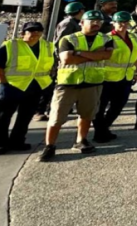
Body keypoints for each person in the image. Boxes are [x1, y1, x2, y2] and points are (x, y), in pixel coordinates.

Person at [40, 10, 113, 161]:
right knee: (56, 118)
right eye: (92, 22)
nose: (96, 24)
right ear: (81, 23)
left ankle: (81, 140)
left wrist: (78, 53)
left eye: (99, 22)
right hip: (68, 83)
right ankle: (50, 145)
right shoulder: (68, 39)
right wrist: (93, 55)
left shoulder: (106, 39)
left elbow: (106, 55)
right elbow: (67, 59)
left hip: (93, 83)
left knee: (87, 115)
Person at [0, 21, 54, 155]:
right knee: (4, 117)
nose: (35, 34)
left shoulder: (48, 46)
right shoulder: (11, 45)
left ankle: (17, 141)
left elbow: (50, 66)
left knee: (25, 117)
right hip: (12, 86)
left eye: (38, 31)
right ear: (23, 33)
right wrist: (3, 83)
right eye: (31, 31)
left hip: (35, 87)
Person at [94, 11, 137, 143]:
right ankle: (99, 132)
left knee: (118, 105)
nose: (123, 25)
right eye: (120, 22)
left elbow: (136, 55)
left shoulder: (133, 37)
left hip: (126, 77)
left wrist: (136, 71)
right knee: (100, 107)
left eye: (126, 22)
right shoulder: (106, 38)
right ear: (113, 23)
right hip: (107, 77)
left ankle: (104, 128)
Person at [35, 1, 85, 121]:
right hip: (62, 59)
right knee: (54, 85)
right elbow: (61, 42)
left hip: (67, 58)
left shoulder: (73, 23)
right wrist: (60, 59)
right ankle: (40, 110)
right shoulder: (68, 23)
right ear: (79, 11)